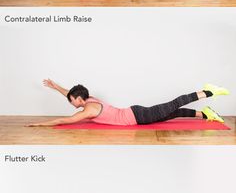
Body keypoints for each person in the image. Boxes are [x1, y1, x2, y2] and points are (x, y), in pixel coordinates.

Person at [32, 81, 228, 129]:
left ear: (79, 100)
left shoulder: (88, 109)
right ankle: (205, 114)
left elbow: (64, 120)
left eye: (72, 100)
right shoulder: (88, 98)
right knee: (172, 113)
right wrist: (55, 86)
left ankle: (208, 91)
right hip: (136, 113)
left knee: (174, 105)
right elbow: (70, 93)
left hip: (139, 117)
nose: (70, 102)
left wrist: (40, 125)